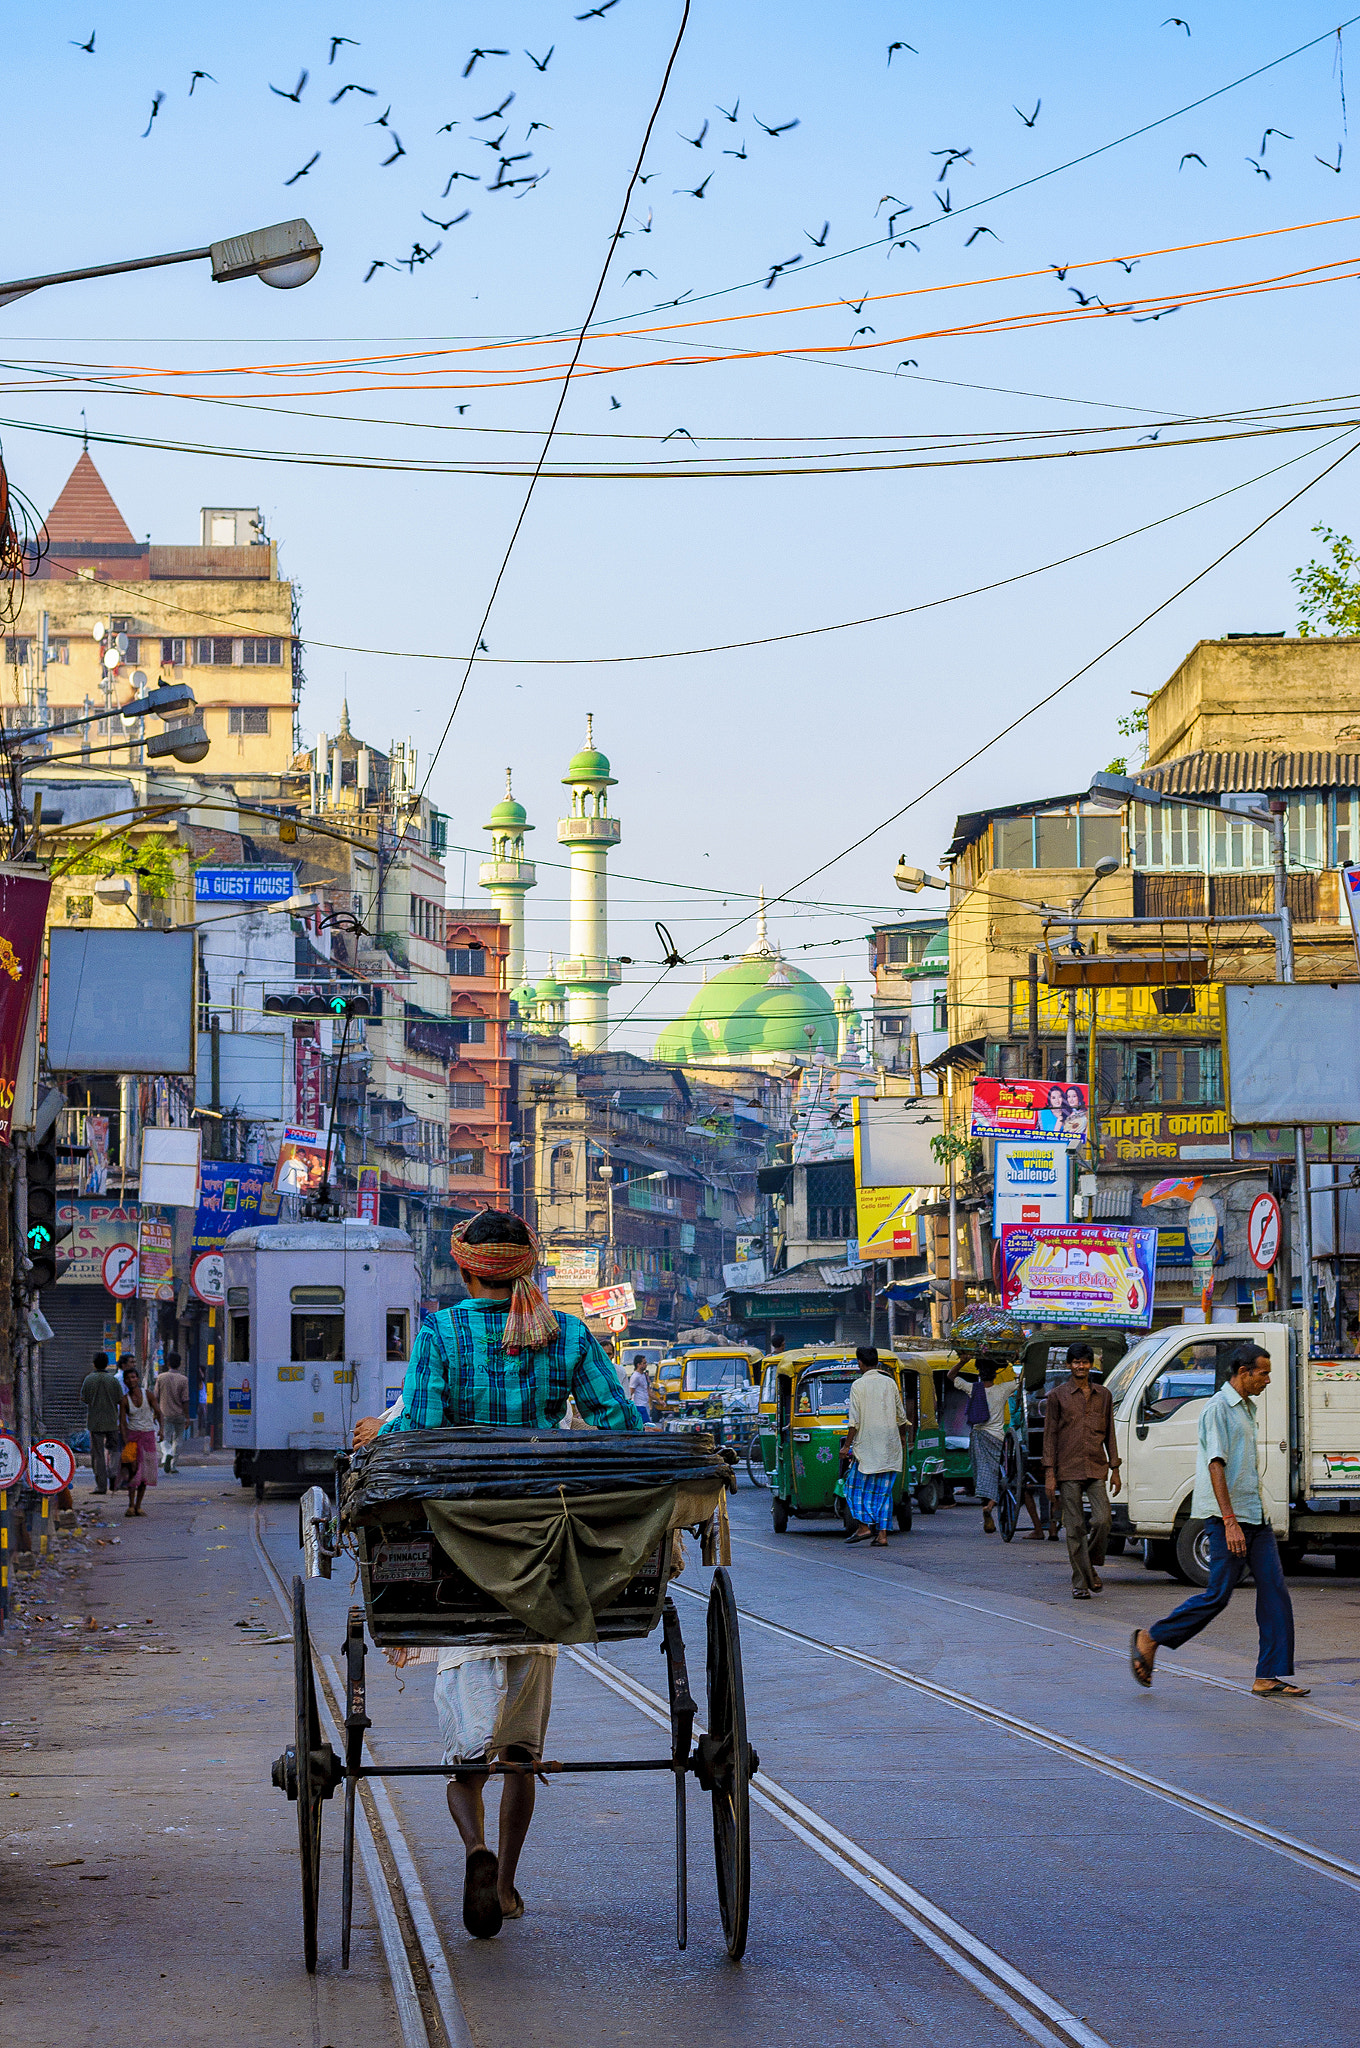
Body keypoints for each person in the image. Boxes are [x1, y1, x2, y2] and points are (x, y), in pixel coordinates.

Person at [351, 1211, 641, 1939]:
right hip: (547, 1559)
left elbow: (416, 1427)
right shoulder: (569, 1335)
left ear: (467, 1268)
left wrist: (378, 1436)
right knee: (520, 1754)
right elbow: (620, 1429)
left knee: (467, 1758)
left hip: (456, 1558)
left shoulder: (441, 1335)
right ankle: (506, 1883)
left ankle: (474, 1847)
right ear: (526, 1268)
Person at [1130, 1342, 1309, 1698]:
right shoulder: (1218, 1409)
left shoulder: (1246, 1408)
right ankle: (1151, 1637)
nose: (1268, 1380)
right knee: (1218, 1595)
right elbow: (1216, 1464)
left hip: (1253, 1516)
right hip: (1226, 1517)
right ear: (1243, 1373)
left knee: (1275, 1593)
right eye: (1264, 1373)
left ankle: (1268, 1674)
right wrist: (1229, 1521)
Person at [1043, 1341, 1120, 1599]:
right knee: (1075, 1527)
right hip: (1067, 1469)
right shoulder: (1057, 1397)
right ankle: (1081, 1582)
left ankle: (1088, 1566)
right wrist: (1049, 1474)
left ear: (1091, 1365)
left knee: (1102, 1520)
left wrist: (1115, 1469)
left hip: (1097, 1466)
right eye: (1076, 1362)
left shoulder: (1104, 1395)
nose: (1081, 1366)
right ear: (1068, 1365)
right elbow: (1049, 1436)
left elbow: (1110, 1433)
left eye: (1085, 1362)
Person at [946, 1355, 1043, 1538]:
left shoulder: (972, 1388)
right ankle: (990, 1505)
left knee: (984, 1473)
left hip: (978, 1436)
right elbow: (1022, 1382)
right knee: (1000, 1474)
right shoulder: (1003, 1389)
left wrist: (962, 1362)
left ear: (980, 1374)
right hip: (997, 1437)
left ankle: (988, 1504)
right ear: (995, 1373)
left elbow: (951, 1376)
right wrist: (1014, 1362)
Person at [842, 1347, 907, 1547]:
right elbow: (902, 1417)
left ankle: (864, 1526)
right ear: (877, 1362)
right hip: (890, 1446)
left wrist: (846, 1446)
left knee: (852, 1488)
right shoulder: (890, 1383)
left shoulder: (858, 1385)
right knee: (883, 1493)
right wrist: (902, 1440)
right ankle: (882, 1535)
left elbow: (854, 1422)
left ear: (860, 1363)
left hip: (868, 1448)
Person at [80, 1352, 123, 1495]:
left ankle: (101, 1486)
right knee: (114, 1451)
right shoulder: (113, 1380)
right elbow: (119, 1399)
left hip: (95, 1423)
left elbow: (84, 1398)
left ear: (94, 1363)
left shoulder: (89, 1379)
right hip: (111, 1422)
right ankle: (114, 1478)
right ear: (106, 1364)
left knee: (98, 1455)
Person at [118, 1365, 158, 1517]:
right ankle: (131, 1505)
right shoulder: (124, 1400)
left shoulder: (148, 1395)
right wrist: (126, 1440)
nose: (131, 1380)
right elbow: (122, 1422)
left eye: (133, 1377)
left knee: (145, 1474)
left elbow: (158, 1411)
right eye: (128, 1378)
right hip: (132, 1438)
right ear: (125, 1382)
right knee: (132, 1471)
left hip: (148, 1437)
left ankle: (139, 1506)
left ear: (138, 1379)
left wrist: (160, 1429)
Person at [153, 1350, 190, 1472]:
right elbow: (185, 1400)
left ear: (168, 1363)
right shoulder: (183, 1379)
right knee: (178, 1439)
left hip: (165, 1414)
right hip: (179, 1414)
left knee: (164, 1438)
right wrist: (187, 1417)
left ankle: (167, 1453)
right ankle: (173, 1465)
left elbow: (155, 1397)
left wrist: (155, 1413)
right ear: (179, 1364)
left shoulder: (161, 1377)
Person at [627, 1353, 652, 1421]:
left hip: (644, 1404)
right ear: (638, 1364)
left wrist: (659, 1400)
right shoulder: (635, 1376)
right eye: (644, 1363)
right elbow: (631, 1391)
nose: (646, 1365)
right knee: (646, 1425)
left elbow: (648, 1390)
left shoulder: (643, 1375)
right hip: (638, 1405)